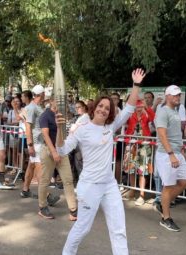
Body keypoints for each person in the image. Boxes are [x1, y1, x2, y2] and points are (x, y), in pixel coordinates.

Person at [56, 68, 146, 255]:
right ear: (94, 107)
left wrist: (136, 85)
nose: (103, 110)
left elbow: (129, 108)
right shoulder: (82, 127)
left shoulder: (110, 126)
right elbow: (62, 149)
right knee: (83, 228)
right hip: (89, 186)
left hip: (109, 185)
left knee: (118, 229)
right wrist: (59, 128)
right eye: (101, 106)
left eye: (107, 108)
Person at [154, 85, 186, 232]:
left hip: (176, 153)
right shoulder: (163, 111)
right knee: (168, 187)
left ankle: (163, 203)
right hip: (167, 154)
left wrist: (179, 150)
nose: (177, 97)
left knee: (185, 183)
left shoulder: (175, 111)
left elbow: (176, 134)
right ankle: (166, 218)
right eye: (174, 95)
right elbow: (162, 134)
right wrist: (171, 154)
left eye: (179, 95)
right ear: (167, 96)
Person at [38, 96, 77, 220]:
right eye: (58, 100)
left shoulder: (61, 115)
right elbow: (45, 134)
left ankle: (73, 210)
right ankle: (42, 207)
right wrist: (54, 152)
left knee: (68, 180)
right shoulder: (45, 115)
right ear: (51, 101)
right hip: (49, 150)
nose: (61, 103)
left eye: (63, 101)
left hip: (61, 150)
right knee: (45, 180)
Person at [123, 99, 155, 205]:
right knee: (131, 169)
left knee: (142, 171)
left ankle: (142, 195)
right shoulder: (130, 115)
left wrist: (147, 108)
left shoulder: (146, 115)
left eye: (141, 106)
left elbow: (154, 118)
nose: (139, 109)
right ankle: (132, 190)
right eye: (137, 106)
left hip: (144, 145)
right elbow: (122, 119)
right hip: (131, 144)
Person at [20, 85, 45, 197]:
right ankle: (46, 196)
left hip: (38, 142)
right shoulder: (32, 107)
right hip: (36, 143)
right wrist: (30, 145)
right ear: (41, 94)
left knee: (31, 166)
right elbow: (28, 127)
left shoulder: (37, 107)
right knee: (39, 169)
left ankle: (25, 190)